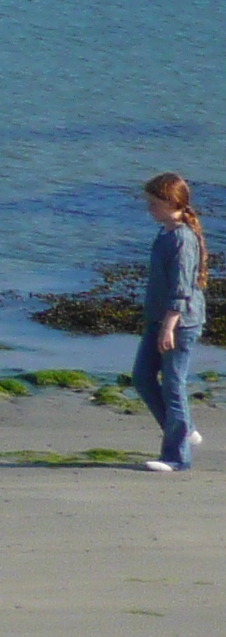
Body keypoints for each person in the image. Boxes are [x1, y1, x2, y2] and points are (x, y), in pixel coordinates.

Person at [136, 172, 207, 473]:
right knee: (142, 377)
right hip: (158, 318)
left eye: (154, 203)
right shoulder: (165, 232)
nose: (149, 208)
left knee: (173, 386)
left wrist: (168, 326)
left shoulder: (181, 238)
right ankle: (184, 430)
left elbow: (181, 289)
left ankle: (177, 457)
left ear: (172, 202)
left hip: (179, 323)